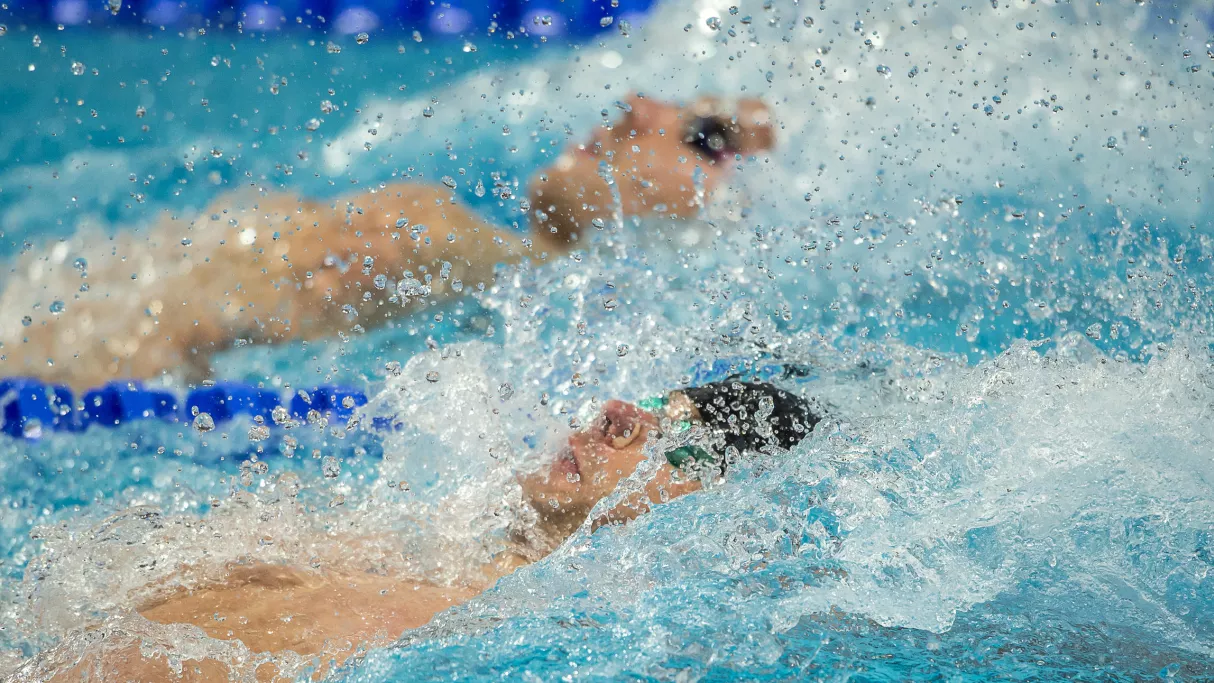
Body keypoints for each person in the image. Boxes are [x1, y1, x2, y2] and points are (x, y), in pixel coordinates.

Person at [27, 379, 820, 681]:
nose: (617, 413)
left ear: (711, 517)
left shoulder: (446, 633)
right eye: (650, 403)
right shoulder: (416, 551)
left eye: (667, 440)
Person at [0, 95, 774, 391]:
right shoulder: (484, 259)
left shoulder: (482, 262)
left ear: (699, 197)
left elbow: (187, 323)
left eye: (697, 136)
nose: (638, 107)